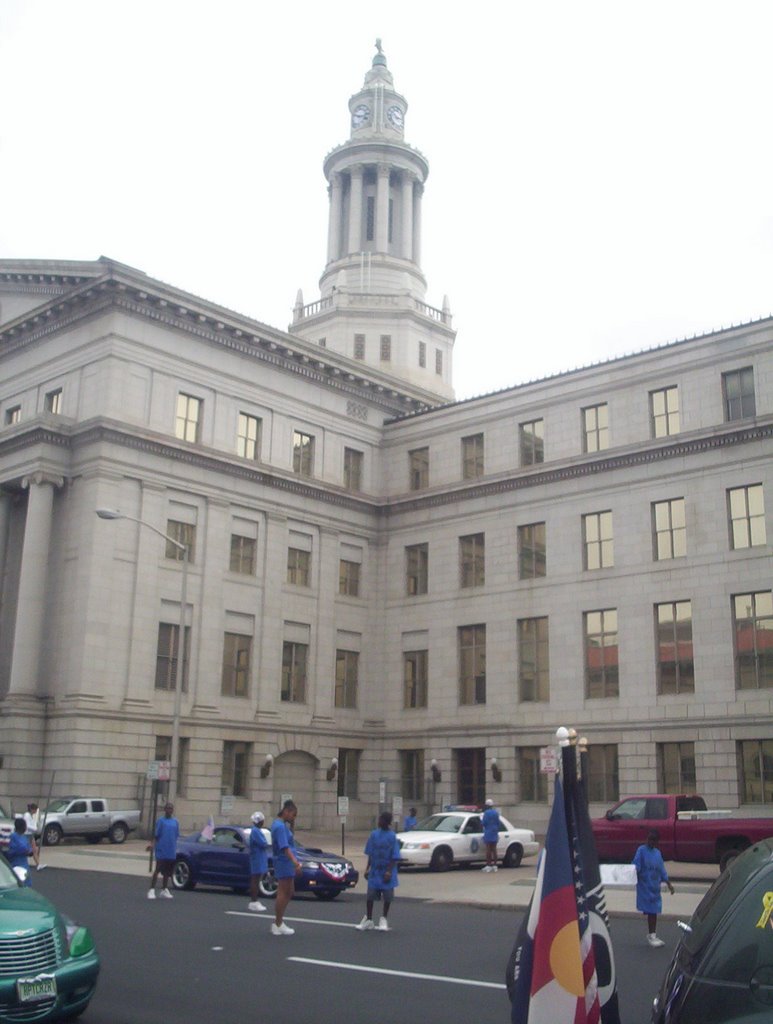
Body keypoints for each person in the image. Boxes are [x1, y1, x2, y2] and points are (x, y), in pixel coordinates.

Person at [356, 811, 401, 932]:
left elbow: (394, 856)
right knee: (370, 895)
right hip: (375, 871)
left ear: (386, 822)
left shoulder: (392, 836)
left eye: (381, 819)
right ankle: (369, 919)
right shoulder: (374, 834)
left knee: (387, 896)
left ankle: (384, 918)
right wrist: (367, 868)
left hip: (386, 871)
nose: (378, 821)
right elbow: (370, 853)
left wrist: (389, 871)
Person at [633, 829, 675, 946]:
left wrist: (668, 884)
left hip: (655, 887)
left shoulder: (657, 853)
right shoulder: (641, 850)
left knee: (654, 911)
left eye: (653, 840)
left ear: (657, 842)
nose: (650, 842)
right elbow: (636, 865)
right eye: (649, 839)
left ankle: (652, 934)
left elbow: (662, 870)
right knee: (652, 911)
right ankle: (652, 935)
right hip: (645, 886)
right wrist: (631, 874)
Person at [270, 799, 302, 935]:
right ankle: (277, 922)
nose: (293, 818)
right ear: (287, 811)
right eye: (293, 815)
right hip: (284, 861)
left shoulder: (283, 826)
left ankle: (279, 921)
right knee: (283, 891)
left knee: (289, 891)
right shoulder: (279, 827)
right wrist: (295, 862)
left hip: (286, 862)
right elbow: (284, 847)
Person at [147, 802, 179, 900]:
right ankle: (151, 890)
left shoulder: (175, 822)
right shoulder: (161, 821)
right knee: (158, 869)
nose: (169, 810)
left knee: (167, 871)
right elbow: (156, 835)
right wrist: (152, 845)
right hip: (162, 848)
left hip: (171, 849)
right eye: (168, 808)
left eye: (171, 808)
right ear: (165, 810)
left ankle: (164, 889)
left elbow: (176, 835)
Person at [247, 811, 269, 912]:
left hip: (258, 857)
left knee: (257, 879)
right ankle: (254, 901)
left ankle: (255, 901)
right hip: (257, 858)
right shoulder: (256, 831)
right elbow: (263, 843)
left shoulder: (256, 831)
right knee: (255, 880)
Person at [7, 818, 37, 884]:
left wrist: (31, 851)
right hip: (16, 864)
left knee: (26, 883)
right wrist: (27, 851)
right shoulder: (13, 837)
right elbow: (21, 849)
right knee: (18, 883)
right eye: (25, 826)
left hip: (24, 864)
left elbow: (30, 851)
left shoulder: (24, 837)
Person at [481, 798, 500, 872]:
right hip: (495, 831)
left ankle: (488, 865)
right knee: (494, 849)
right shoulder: (496, 813)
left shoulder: (486, 813)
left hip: (488, 831)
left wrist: (481, 823)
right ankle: (495, 865)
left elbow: (484, 823)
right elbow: (498, 823)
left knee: (488, 848)